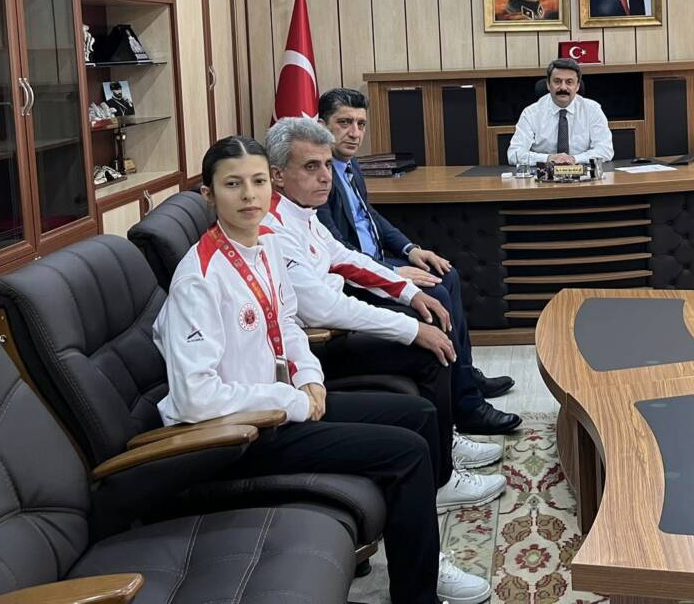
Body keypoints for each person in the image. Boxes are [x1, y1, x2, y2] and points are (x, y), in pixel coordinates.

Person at [153, 136, 492, 604]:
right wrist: (293, 400)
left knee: (419, 415)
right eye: (233, 185)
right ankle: (418, 594)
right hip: (241, 433)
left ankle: (423, 551)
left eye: (256, 182)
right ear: (208, 195)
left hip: (286, 403)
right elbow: (195, 397)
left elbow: (289, 324)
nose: (249, 195)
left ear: (270, 185)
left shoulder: (264, 245)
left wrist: (310, 379)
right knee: (408, 453)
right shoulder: (199, 279)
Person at [264, 117, 511, 511]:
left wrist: (409, 292)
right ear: (278, 175)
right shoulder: (273, 227)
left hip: (330, 330)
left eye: (326, 164)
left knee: (431, 317)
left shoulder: (302, 213)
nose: (326, 176)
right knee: (428, 348)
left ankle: (442, 440)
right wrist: (410, 329)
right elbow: (323, 307)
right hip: (311, 349)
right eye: (311, 166)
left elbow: (347, 259)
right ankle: (440, 480)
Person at [315, 88, 523, 436]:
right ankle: (467, 406)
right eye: (344, 123)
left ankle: (465, 375)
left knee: (446, 274)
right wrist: (393, 272)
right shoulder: (319, 177)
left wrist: (411, 249)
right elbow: (335, 248)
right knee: (436, 294)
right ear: (322, 126)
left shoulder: (350, 166)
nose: (354, 133)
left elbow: (370, 217)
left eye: (361, 124)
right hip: (353, 279)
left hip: (377, 261)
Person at [507, 58, 613, 166]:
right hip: (544, 174)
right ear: (548, 85)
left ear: (577, 86)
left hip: (582, 172)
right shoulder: (531, 113)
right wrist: (549, 158)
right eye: (557, 81)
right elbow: (514, 153)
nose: (563, 87)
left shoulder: (592, 110)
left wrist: (574, 159)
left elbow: (605, 150)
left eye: (569, 82)